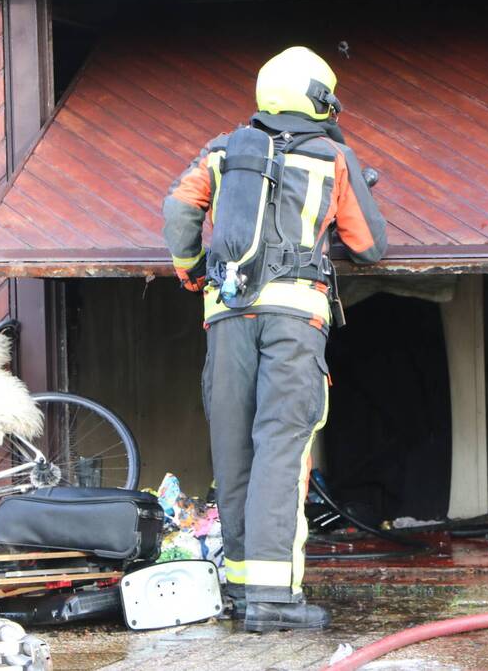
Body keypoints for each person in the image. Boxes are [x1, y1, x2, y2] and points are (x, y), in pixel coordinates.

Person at [162, 46, 387, 632]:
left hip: (226, 320)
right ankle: (272, 600)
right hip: (293, 324)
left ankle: (239, 590)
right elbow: (369, 245)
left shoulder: (221, 151)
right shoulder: (332, 157)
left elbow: (178, 210)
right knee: (282, 451)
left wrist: (193, 270)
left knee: (233, 450)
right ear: (319, 97)